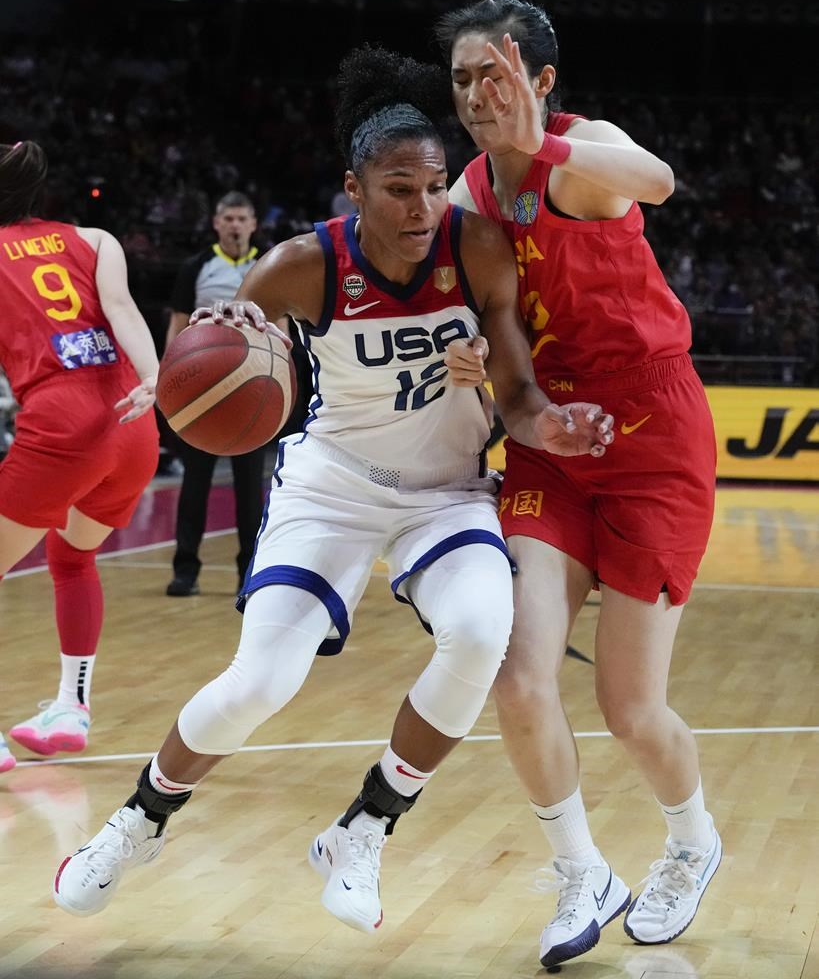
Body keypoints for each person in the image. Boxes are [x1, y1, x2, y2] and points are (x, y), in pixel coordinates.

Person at [52, 46, 614, 928]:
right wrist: (228, 326)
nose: (421, 205)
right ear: (353, 190)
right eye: (397, 188)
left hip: (446, 491)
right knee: (260, 681)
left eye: (432, 185)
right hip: (335, 486)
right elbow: (233, 328)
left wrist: (551, 426)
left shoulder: (477, 250)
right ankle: (135, 823)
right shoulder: (297, 265)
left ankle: (364, 829)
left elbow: (518, 394)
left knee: (479, 633)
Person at [434, 0, 721, 966]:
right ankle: (580, 870)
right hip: (553, 446)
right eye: (466, 76)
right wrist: (476, 356)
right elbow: (489, 319)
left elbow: (660, 177)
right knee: (518, 677)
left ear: (542, 81)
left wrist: (543, 141)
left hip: (652, 441)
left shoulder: (583, 153)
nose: (479, 92)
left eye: (498, 73)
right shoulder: (473, 195)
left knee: (629, 707)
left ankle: (691, 840)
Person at [0, 140, 159, 770]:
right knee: (72, 558)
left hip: (61, 425)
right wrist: (159, 383)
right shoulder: (95, 238)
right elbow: (122, 310)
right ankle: (70, 705)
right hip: (131, 420)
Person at [164, 191, 267, 597]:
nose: (236, 225)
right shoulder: (196, 267)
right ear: (217, 223)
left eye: (243, 218)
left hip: (254, 389)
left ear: (253, 223)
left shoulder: (269, 264)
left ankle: (250, 573)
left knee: (249, 490)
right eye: (230, 219)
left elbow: (283, 323)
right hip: (200, 389)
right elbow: (176, 324)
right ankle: (185, 570)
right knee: (195, 483)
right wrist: (164, 380)